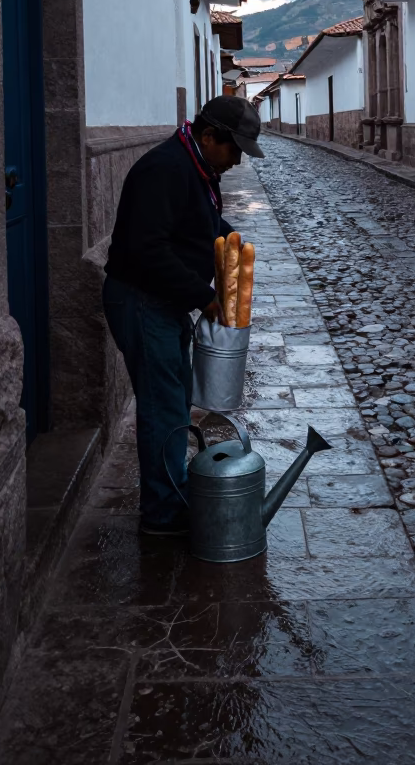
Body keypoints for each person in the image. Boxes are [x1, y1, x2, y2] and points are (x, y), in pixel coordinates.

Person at [102, 96, 264, 535]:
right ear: (208, 137)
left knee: (173, 405)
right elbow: (146, 249)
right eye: (234, 150)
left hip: (162, 302)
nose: (236, 161)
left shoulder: (198, 168)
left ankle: (170, 496)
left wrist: (231, 243)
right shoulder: (166, 170)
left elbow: (201, 225)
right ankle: (162, 514)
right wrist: (203, 296)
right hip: (141, 301)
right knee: (162, 408)